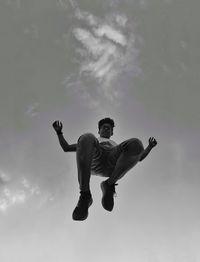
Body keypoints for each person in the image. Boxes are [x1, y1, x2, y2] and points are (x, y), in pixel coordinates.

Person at [52, 117, 157, 221]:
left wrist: (150, 147)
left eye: (109, 128)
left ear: (112, 133)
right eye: (104, 127)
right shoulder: (93, 141)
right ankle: (85, 195)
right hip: (95, 160)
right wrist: (59, 132)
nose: (106, 129)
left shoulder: (116, 145)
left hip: (113, 164)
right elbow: (66, 148)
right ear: (99, 130)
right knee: (87, 137)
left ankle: (109, 184)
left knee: (136, 143)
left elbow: (139, 157)